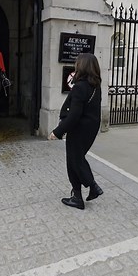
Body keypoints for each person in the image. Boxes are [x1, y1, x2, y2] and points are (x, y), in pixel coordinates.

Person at [49, 53, 103, 210]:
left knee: (74, 160)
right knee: (76, 159)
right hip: (90, 129)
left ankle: (91, 187)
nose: (75, 65)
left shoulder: (80, 87)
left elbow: (74, 115)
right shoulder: (95, 85)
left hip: (79, 129)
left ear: (83, 66)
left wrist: (57, 132)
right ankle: (79, 195)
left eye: (77, 63)